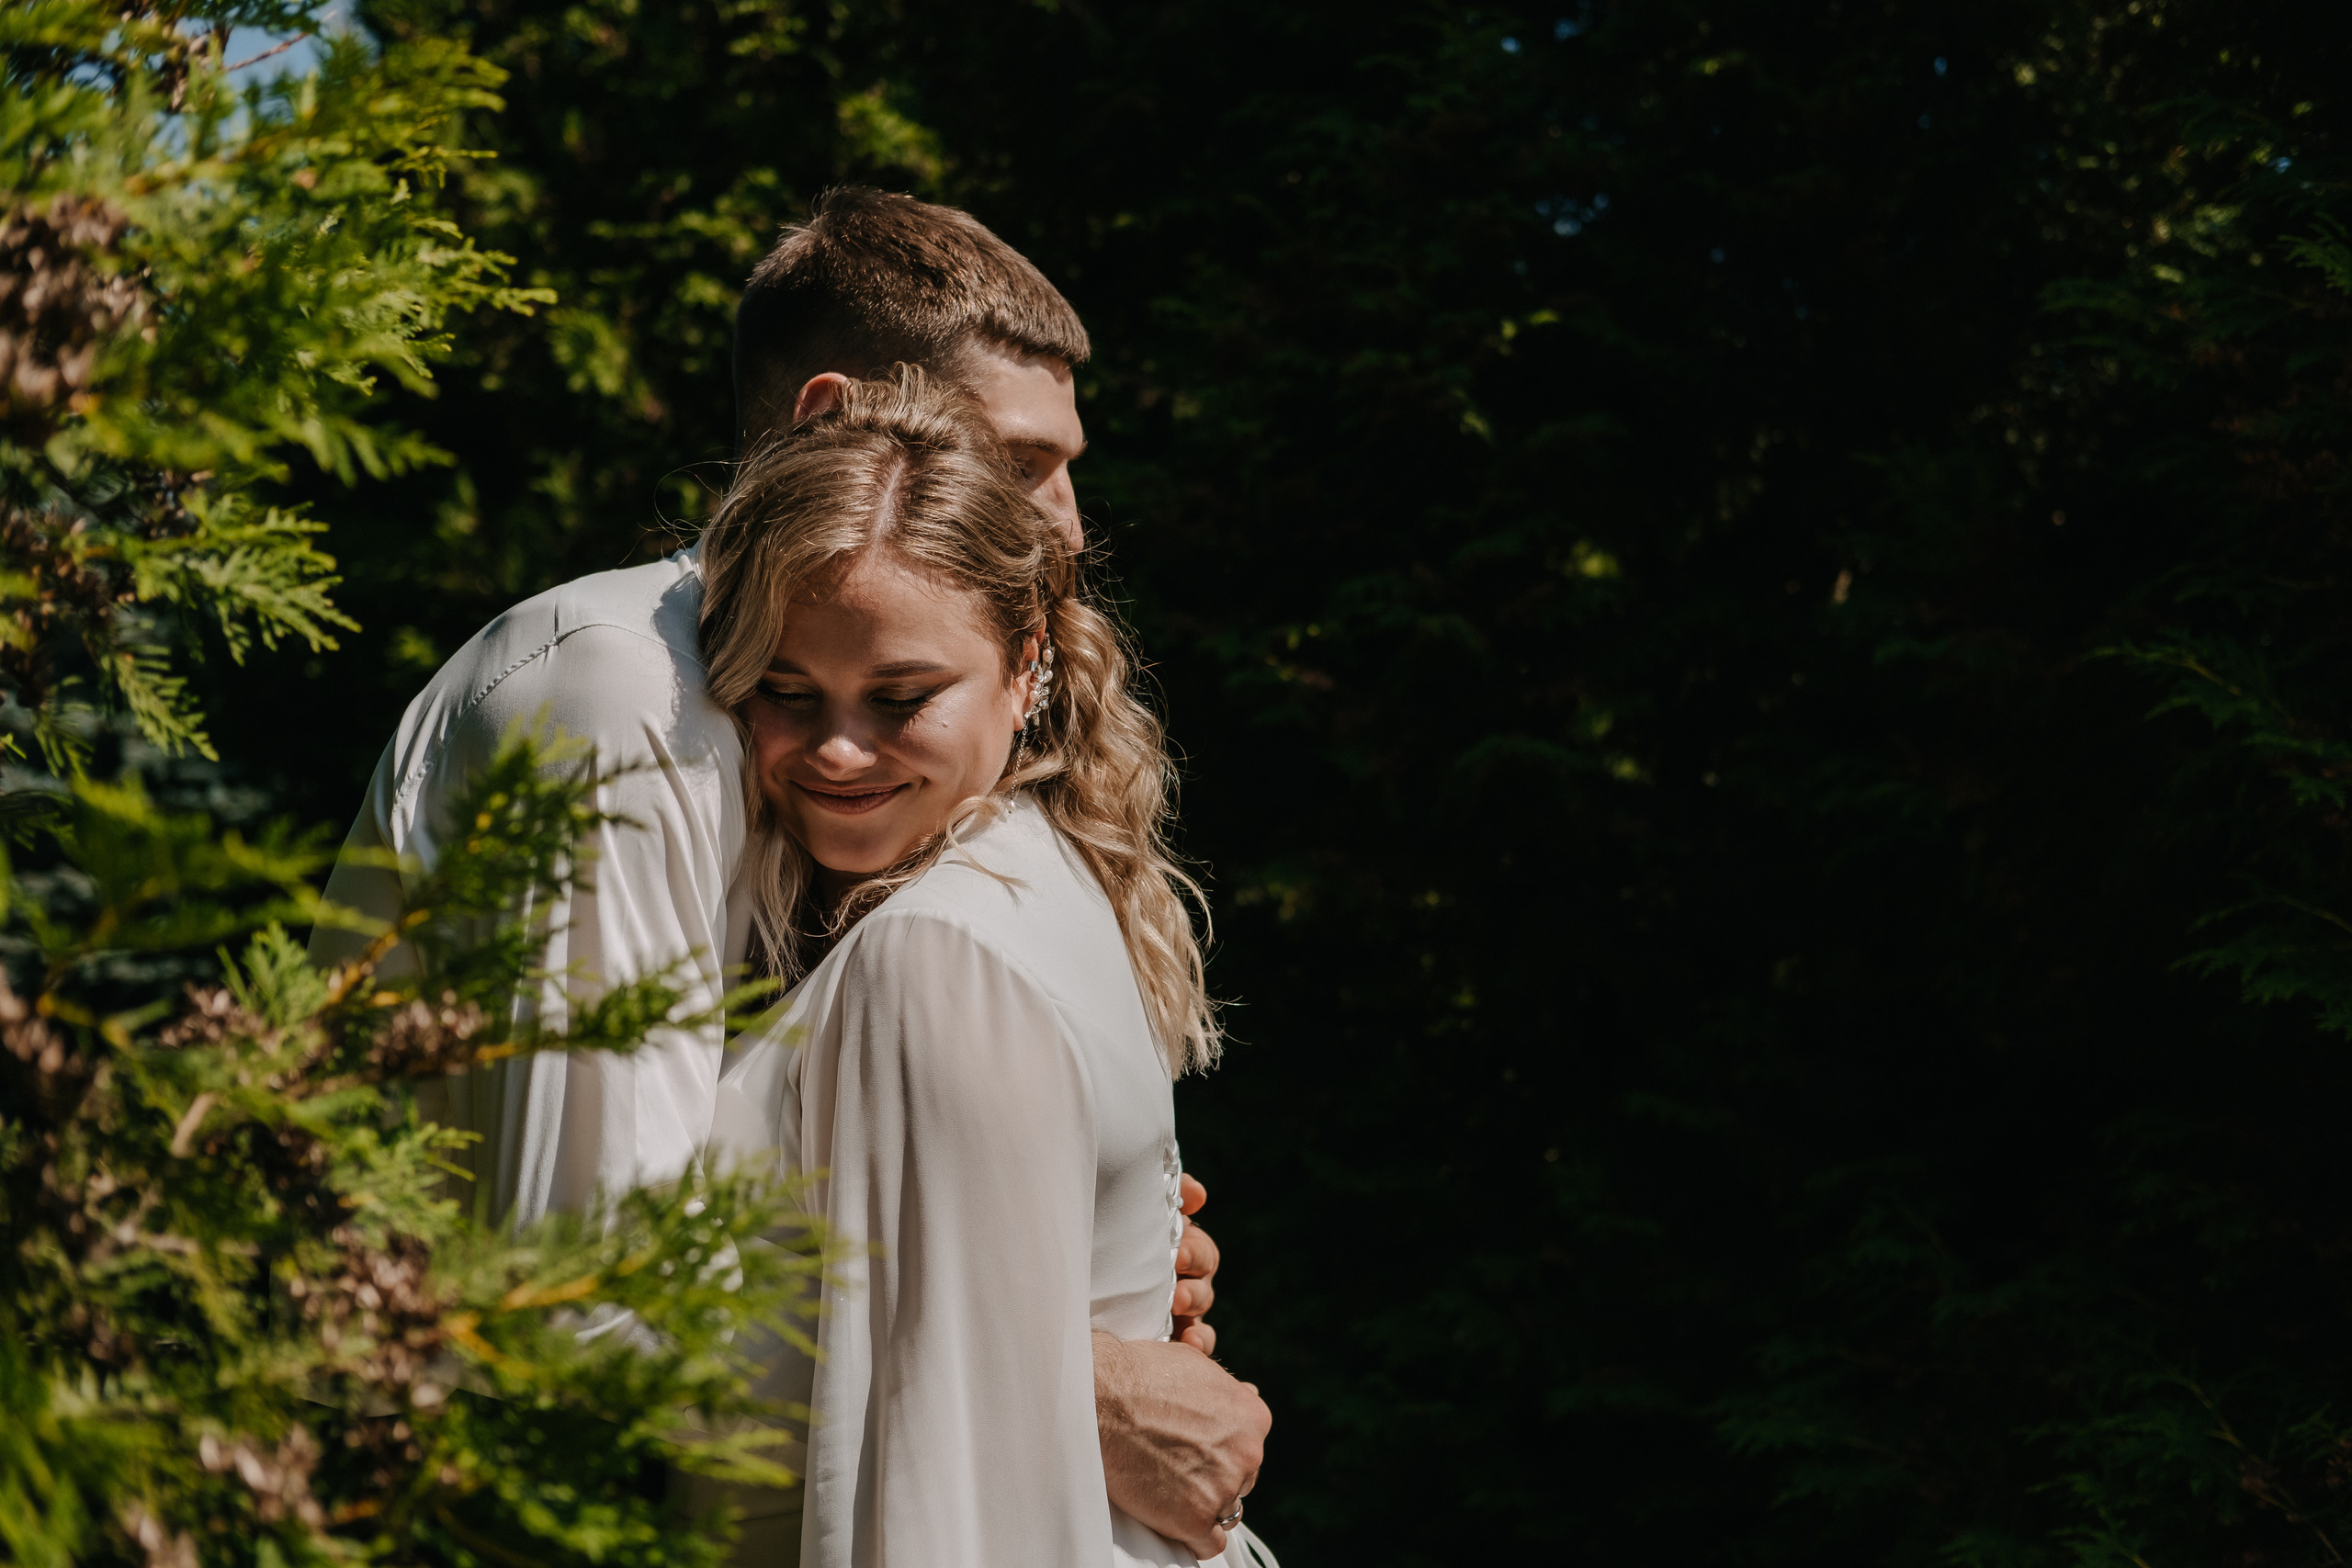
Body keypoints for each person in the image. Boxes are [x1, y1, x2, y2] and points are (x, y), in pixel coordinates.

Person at [307, 190, 1270, 1557]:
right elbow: (578, 1301)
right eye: (1018, 461)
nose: (1066, 526)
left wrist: (1062, 1223)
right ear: (836, 423)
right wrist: (1064, 1372)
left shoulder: (904, 780)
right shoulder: (621, 703)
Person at [701, 364, 1273, 1568]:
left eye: (901, 697)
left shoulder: (933, 956)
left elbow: (955, 1507)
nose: (838, 750)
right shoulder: (1027, 858)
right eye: (787, 692)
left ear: (1026, 668)